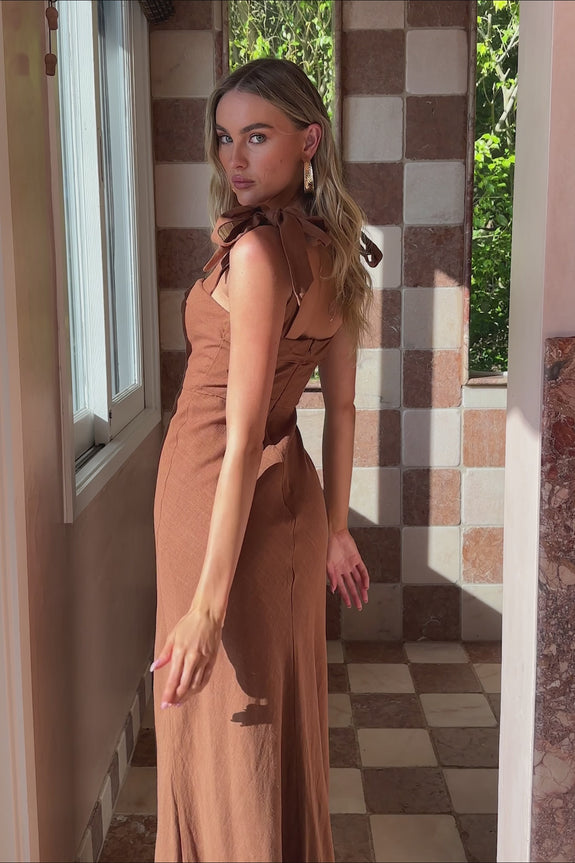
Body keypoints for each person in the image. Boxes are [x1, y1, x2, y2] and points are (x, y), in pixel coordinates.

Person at [151, 57, 382, 863]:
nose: (234, 158)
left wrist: (206, 607)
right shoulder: (339, 250)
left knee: (226, 729)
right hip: (287, 505)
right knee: (270, 719)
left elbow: (244, 436)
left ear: (308, 140)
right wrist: (335, 527)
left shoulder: (255, 256)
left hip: (220, 503)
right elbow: (341, 408)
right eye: (224, 138)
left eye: (257, 136)